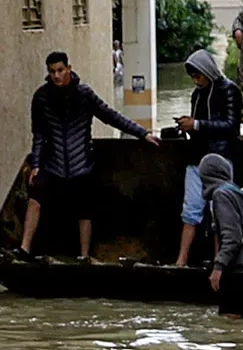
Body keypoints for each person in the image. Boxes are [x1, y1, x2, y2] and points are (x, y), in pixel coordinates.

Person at [21, 51, 154, 258]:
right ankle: (24, 249)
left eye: (60, 70)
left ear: (69, 69)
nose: (56, 75)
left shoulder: (84, 94)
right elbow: (38, 134)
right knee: (35, 197)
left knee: (85, 209)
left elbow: (111, 116)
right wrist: (36, 164)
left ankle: (84, 256)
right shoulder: (41, 97)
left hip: (81, 163)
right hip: (53, 163)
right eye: (52, 71)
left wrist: (142, 133)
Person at [174, 48, 243, 266]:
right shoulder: (197, 94)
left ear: (207, 71)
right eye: (193, 77)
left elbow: (231, 126)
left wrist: (196, 125)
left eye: (198, 76)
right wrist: (188, 126)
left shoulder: (229, 90)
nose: (196, 81)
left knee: (219, 213)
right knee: (190, 211)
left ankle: (219, 262)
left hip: (220, 159)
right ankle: (181, 261)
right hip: (197, 158)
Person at [199, 153, 243, 319]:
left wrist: (218, 267)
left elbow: (232, 237)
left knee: (230, 326)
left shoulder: (220, 195)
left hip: (237, 272)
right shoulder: (236, 191)